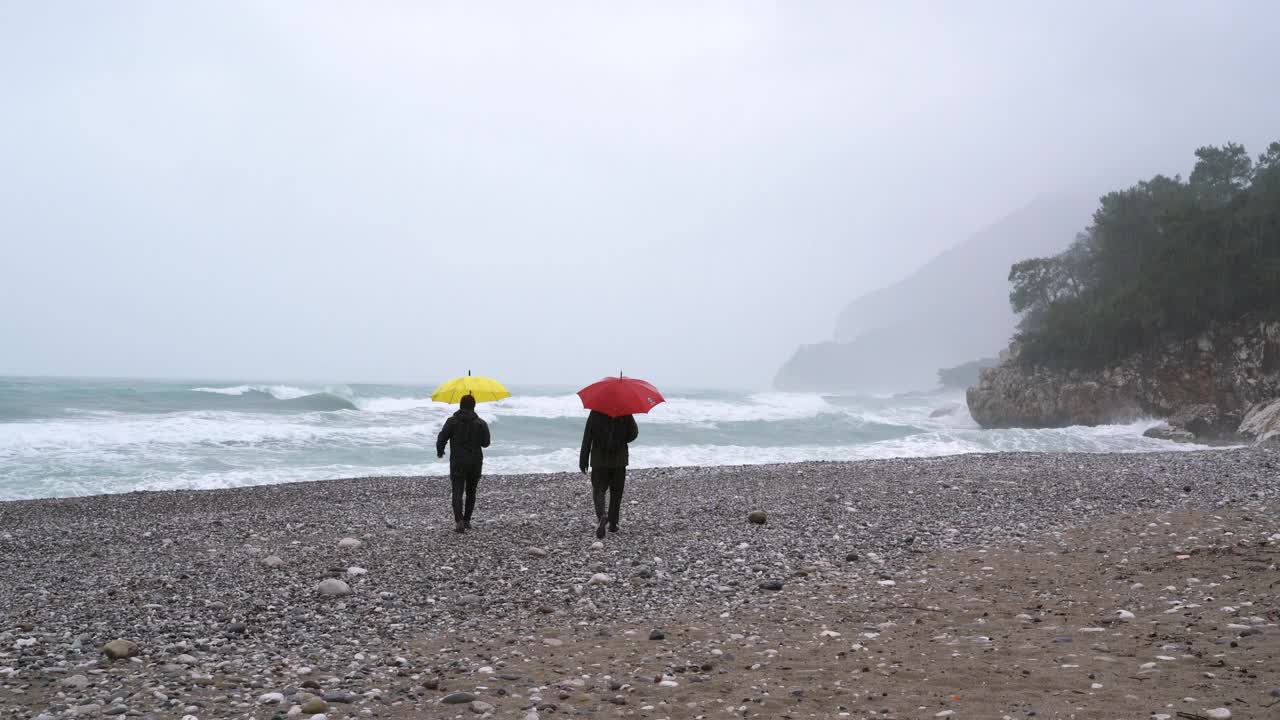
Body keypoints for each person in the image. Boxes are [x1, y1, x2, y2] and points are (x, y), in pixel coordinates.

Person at [579, 409, 639, 539]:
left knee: (598, 490)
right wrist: (622, 439)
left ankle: (602, 516)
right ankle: (613, 523)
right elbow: (634, 433)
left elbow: (587, 435)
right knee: (616, 492)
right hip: (619, 460)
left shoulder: (596, 411)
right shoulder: (625, 410)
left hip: (599, 461)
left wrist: (583, 459)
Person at [436, 394, 491, 533]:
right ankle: (467, 521)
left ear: (460, 405)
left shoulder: (452, 421)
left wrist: (440, 451)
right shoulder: (481, 423)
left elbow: (442, 438)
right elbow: (486, 443)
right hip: (475, 462)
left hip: (457, 461)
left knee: (457, 491)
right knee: (471, 492)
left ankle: (459, 521)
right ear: (474, 406)